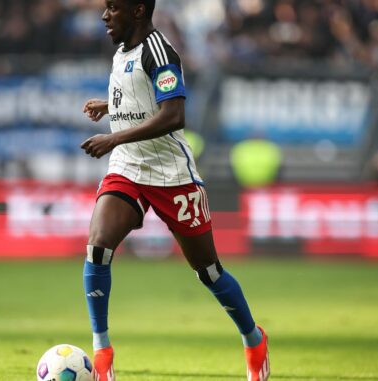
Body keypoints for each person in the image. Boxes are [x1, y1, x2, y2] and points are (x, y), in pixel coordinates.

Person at [80, 1, 270, 380]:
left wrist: (113, 137)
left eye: (113, 8)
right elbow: (138, 99)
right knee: (98, 246)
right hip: (129, 167)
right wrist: (110, 107)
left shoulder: (161, 52)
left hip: (171, 174)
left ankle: (253, 339)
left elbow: (173, 115)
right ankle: (102, 351)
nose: (104, 16)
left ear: (137, 10)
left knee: (209, 271)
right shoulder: (121, 52)